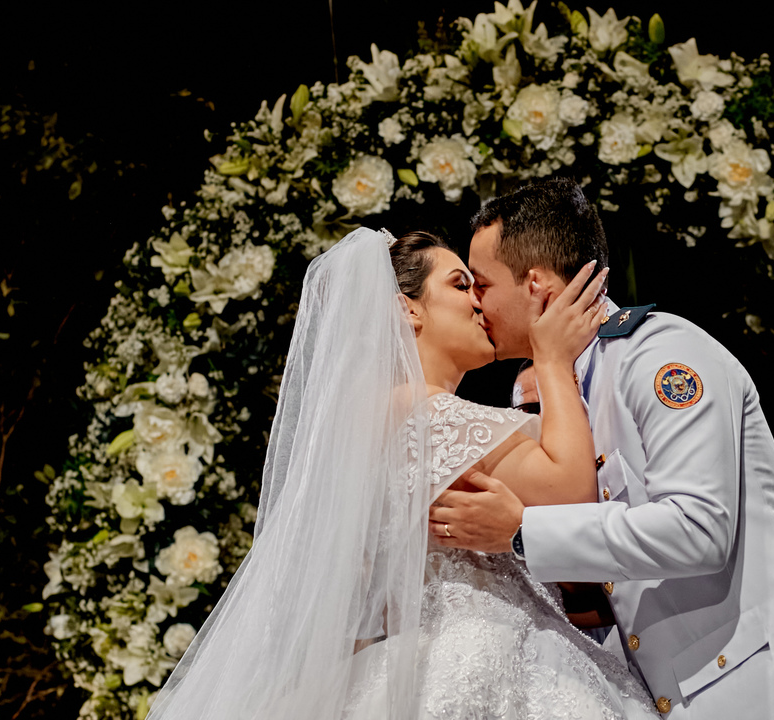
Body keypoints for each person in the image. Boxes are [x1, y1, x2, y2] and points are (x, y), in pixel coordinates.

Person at [429, 179, 774, 719]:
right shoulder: (563, 391)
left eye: (482, 283)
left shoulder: (658, 354)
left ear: (536, 286)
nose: (475, 301)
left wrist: (521, 533)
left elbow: (699, 528)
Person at [146, 228, 657, 719]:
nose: (479, 302)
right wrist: (552, 360)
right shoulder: (426, 414)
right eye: (460, 285)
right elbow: (571, 493)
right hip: (484, 656)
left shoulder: (366, 423)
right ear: (407, 309)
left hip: (415, 659)